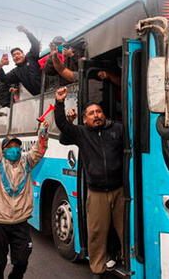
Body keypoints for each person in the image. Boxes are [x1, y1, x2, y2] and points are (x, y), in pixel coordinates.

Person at [0, 104, 48, 279]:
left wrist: (43, 132)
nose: (15, 149)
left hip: (21, 224)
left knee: (21, 262)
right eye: (10, 146)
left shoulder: (27, 163)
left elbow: (40, 149)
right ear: (4, 150)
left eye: (17, 146)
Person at [54, 86, 125, 278]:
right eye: (92, 113)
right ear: (85, 119)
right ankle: (98, 269)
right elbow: (62, 125)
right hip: (97, 193)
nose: (96, 115)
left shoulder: (118, 129)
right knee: (96, 233)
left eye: (99, 112)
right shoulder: (81, 133)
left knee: (125, 230)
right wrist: (59, 103)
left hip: (120, 191)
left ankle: (129, 262)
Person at [0, 26, 42, 96]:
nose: (16, 56)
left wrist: (26, 31)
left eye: (18, 54)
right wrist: (0, 66)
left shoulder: (31, 57)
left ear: (23, 54)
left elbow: (35, 44)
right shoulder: (15, 72)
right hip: (37, 97)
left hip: (49, 91)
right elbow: (4, 79)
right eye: (14, 56)